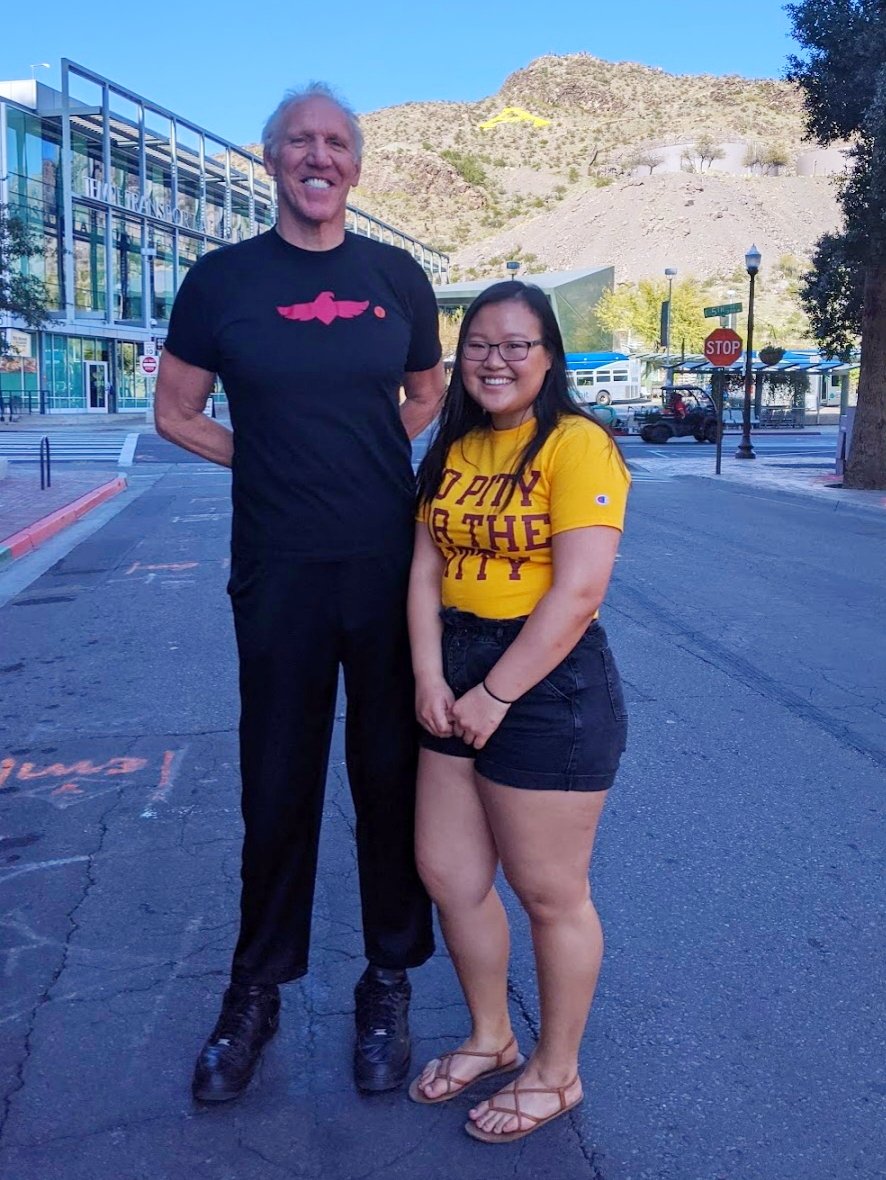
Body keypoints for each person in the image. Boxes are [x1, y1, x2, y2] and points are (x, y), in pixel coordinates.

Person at [155, 82, 444, 1101]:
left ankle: (388, 978)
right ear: (269, 159)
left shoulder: (396, 277)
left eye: (335, 142)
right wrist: (265, 458)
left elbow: (427, 390)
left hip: (382, 562)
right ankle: (255, 989)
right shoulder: (221, 280)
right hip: (275, 566)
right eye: (298, 142)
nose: (318, 157)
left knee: (388, 776)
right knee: (276, 782)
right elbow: (174, 410)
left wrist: (367, 454)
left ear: (355, 164)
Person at [406, 281, 630, 1143]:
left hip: (546, 682)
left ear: (548, 357)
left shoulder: (578, 445)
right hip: (453, 668)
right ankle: (493, 1037)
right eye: (479, 345)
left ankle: (556, 1070)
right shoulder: (453, 445)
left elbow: (578, 591)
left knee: (548, 892)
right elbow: (425, 567)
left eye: (516, 345)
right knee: (450, 876)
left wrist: (495, 694)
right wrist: (429, 676)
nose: (495, 360)